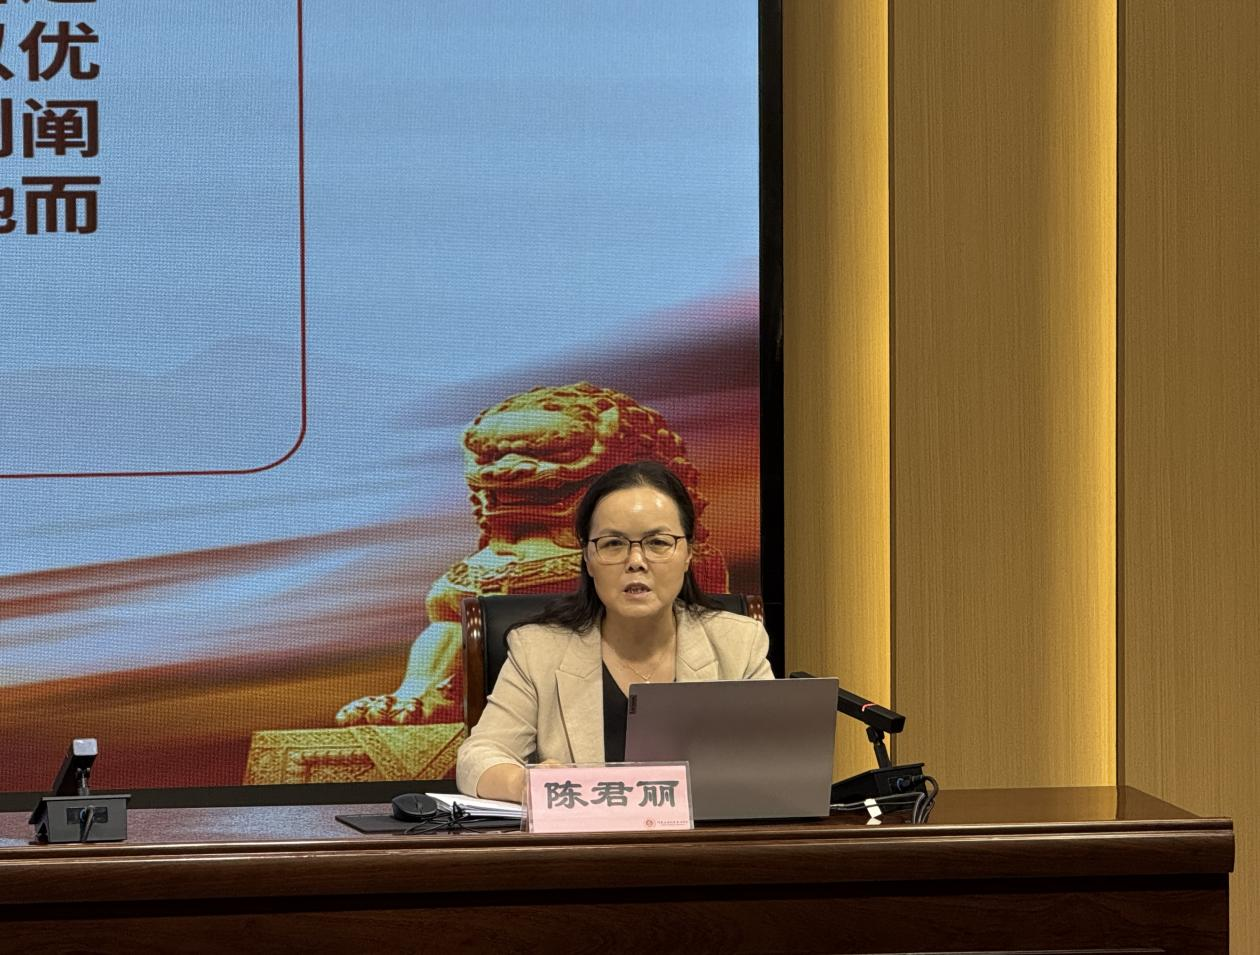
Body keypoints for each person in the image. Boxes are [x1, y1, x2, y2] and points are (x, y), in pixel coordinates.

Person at [455, 460, 774, 801]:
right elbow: (477, 758)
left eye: (658, 542)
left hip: (706, 836)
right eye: (613, 544)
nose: (636, 561)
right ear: (587, 558)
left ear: (687, 554)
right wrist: (524, 783)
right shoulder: (538, 650)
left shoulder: (738, 643)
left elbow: (777, 758)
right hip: (585, 836)